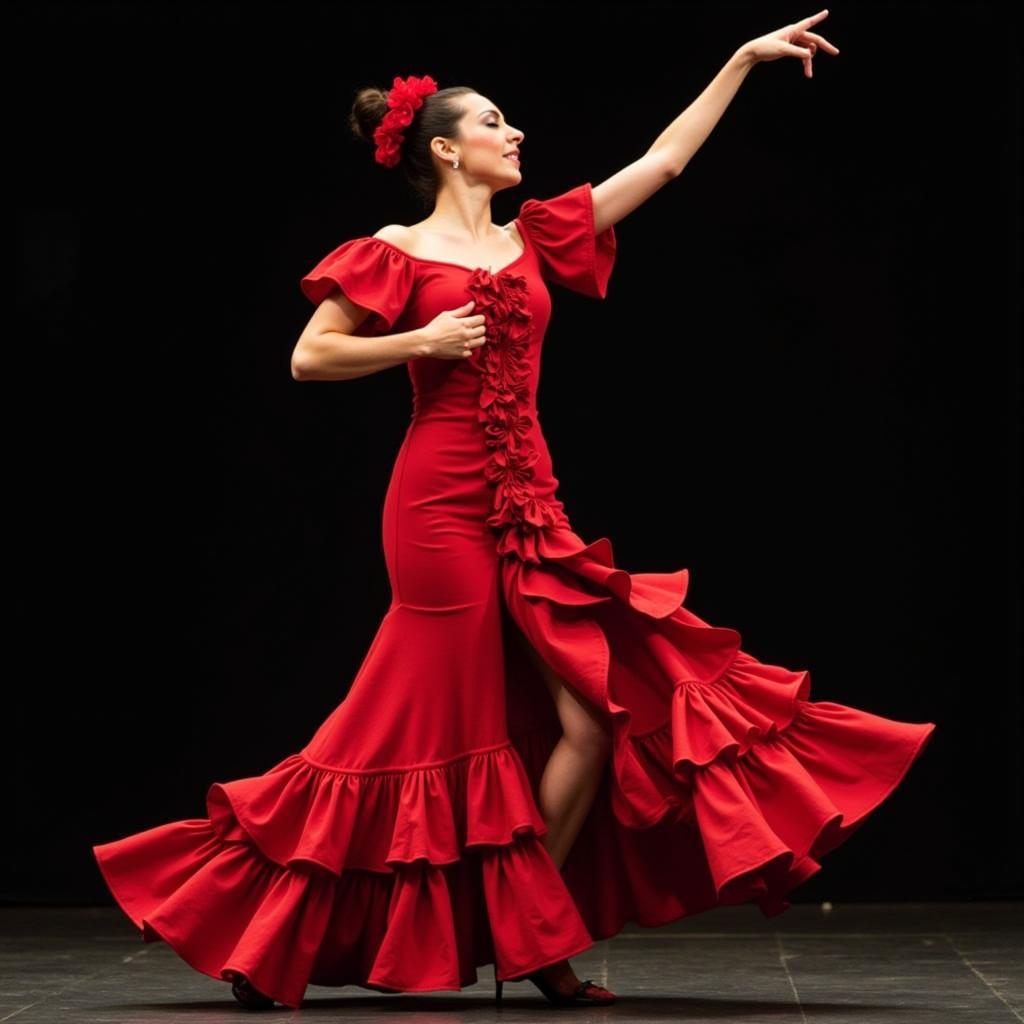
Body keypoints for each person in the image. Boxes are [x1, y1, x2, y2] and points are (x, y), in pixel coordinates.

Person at [92, 11, 935, 1012]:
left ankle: (522, 926)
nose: (516, 134)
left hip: (529, 506)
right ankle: (295, 922)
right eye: (496, 122)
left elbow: (661, 164)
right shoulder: (392, 250)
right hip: (436, 509)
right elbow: (308, 355)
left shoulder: (537, 234)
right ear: (445, 147)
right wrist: (418, 344)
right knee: (413, 721)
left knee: (592, 715)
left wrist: (739, 62)